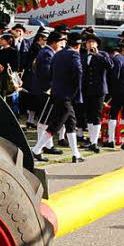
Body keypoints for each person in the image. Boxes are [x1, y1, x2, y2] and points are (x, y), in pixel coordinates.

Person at [31, 31, 84, 163]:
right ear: (78, 45)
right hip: (66, 95)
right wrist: (76, 91)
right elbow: (78, 73)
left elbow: (51, 72)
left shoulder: (58, 54)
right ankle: (36, 150)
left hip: (56, 92)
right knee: (56, 124)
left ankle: (76, 154)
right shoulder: (74, 56)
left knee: (71, 122)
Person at [32, 31, 65, 156]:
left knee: (45, 120)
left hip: (44, 89)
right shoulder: (47, 53)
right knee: (44, 121)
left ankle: (48, 145)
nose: (63, 45)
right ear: (55, 42)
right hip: (45, 90)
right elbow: (47, 73)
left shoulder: (47, 52)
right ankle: (41, 147)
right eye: (61, 42)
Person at [81, 32, 113, 153]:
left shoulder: (103, 54)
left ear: (97, 44)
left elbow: (110, 66)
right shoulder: (83, 56)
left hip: (99, 90)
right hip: (86, 89)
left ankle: (95, 142)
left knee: (96, 115)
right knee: (88, 116)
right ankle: (91, 140)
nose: (90, 44)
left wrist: (97, 55)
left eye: (92, 42)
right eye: (88, 42)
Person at [0, 32, 19, 97]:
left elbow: (15, 66)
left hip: (7, 77)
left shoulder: (14, 52)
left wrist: (4, 68)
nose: (0, 40)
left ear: (8, 41)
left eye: (2, 39)